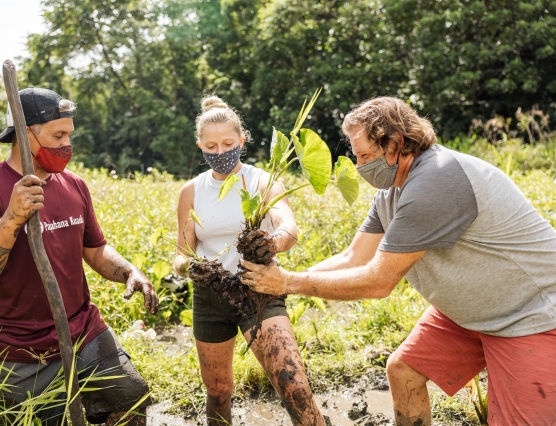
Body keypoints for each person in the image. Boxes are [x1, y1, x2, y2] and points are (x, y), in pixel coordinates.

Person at [240, 97, 556, 426]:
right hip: (475, 312)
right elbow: (353, 257)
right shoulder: (392, 192)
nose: (360, 166)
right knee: (403, 371)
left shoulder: (436, 180)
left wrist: (289, 282)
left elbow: (379, 281)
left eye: (365, 155)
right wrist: (279, 285)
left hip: (531, 315)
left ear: (395, 143)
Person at [0, 88, 159, 426]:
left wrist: (129, 271)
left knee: (131, 401)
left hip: (82, 331)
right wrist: (12, 218)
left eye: (69, 135)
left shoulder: (73, 184)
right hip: (18, 352)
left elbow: (94, 248)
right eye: (57, 135)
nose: (67, 144)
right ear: (24, 133)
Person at [174, 95, 325, 426]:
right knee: (218, 391)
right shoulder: (192, 190)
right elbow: (182, 250)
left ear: (242, 140)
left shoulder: (261, 181)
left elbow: (289, 228)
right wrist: (191, 267)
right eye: (211, 146)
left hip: (259, 288)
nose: (220, 151)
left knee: (294, 387)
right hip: (211, 298)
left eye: (228, 143)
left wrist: (270, 242)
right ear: (200, 145)